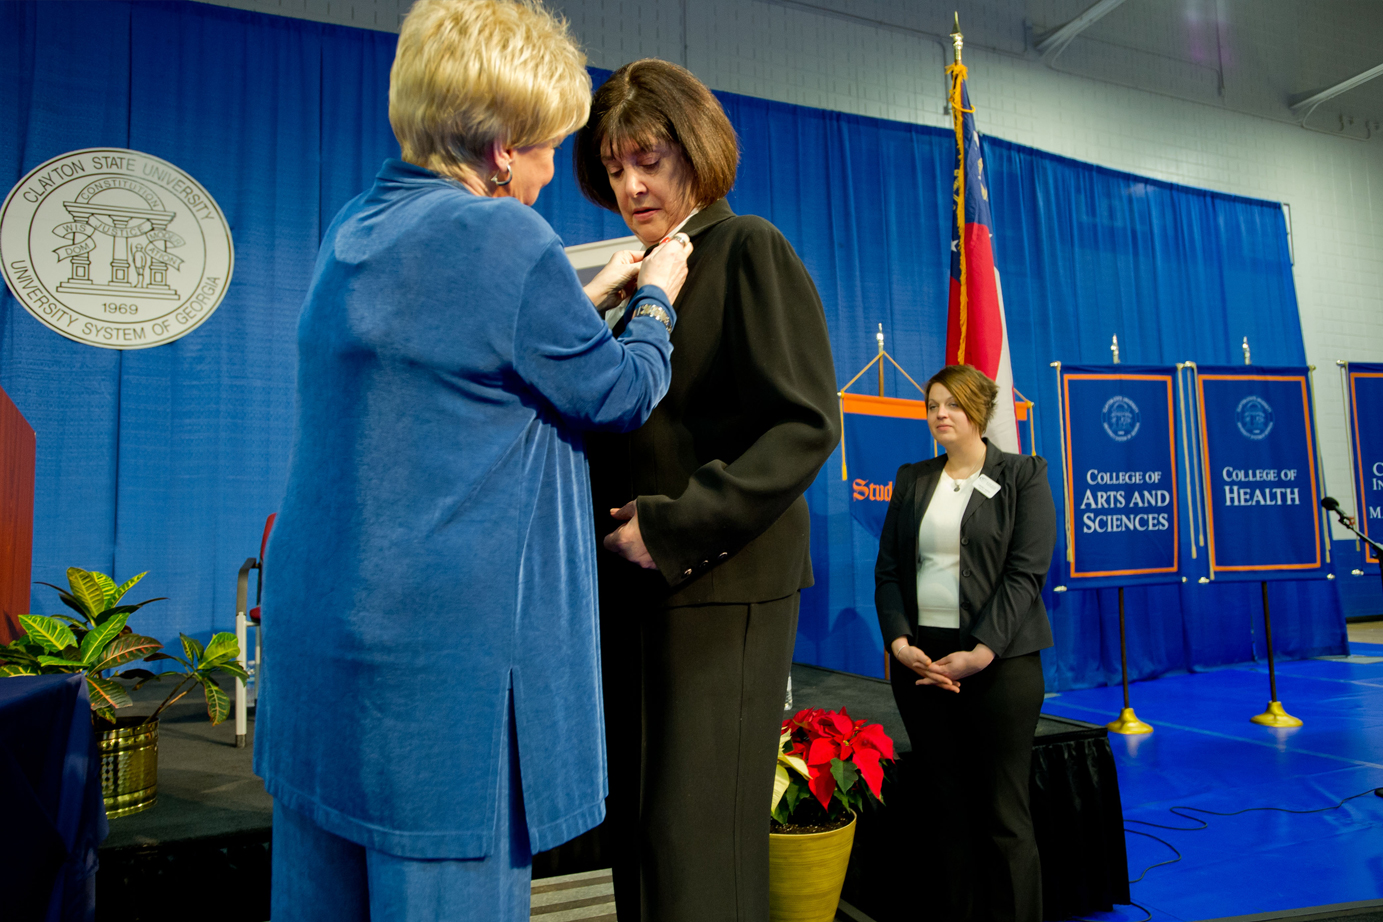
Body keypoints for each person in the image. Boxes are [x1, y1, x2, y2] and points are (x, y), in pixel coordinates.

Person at [253, 4, 692, 921]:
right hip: (442, 693)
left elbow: (450, 340)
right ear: (498, 148)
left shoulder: (356, 226)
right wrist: (653, 297)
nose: (546, 178)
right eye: (544, 151)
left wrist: (575, 287)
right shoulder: (506, 238)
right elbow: (615, 393)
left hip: (324, 663)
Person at [573, 59, 840, 922]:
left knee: (698, 849)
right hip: (632, 592)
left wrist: (677, 528)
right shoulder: (636, 278)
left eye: (647, 159)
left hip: (720, 590)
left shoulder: (747, 246)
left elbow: (804, 423)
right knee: (644, 840)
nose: (632, 184)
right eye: (615, 169)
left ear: (693, 148)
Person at [873, 364, 1056, 922]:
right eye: (932, 406)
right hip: (924, 668)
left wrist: (981, 651)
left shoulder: (1023, 475)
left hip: (999, 667)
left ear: (979, 410)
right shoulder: (913, 479)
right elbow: (888, 573)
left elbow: (1025, 575)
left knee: (1004, 816)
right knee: (947, 813)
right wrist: (901, 643)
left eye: (952, 404)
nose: (940, 415)